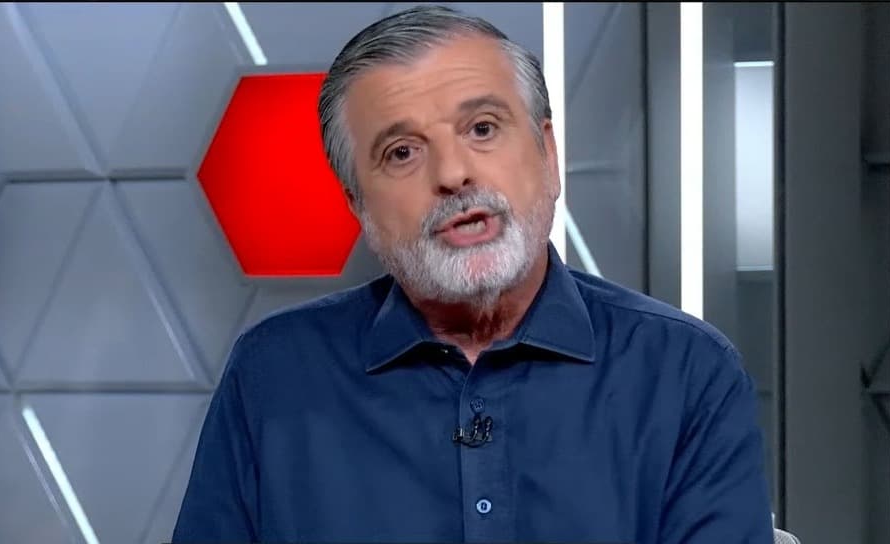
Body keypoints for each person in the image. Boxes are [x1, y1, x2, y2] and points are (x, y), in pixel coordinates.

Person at [172, 5, 773, 543]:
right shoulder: (274, 373)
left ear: (548, 154)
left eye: (482, 128)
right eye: (402, 152)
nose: (453, 174)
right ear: (358, 203)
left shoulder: (686, 371)